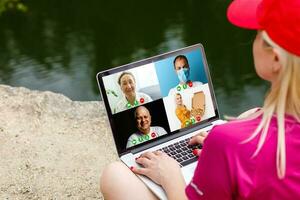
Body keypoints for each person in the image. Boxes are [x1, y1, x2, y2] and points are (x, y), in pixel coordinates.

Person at [100, 0, 300, 199]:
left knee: (115, 175)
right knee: (249, 114)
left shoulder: (226, 140)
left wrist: (171, 176)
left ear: (275, 59)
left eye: (258, 33)